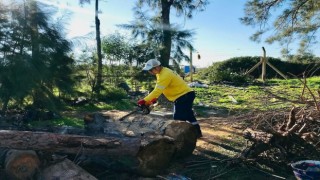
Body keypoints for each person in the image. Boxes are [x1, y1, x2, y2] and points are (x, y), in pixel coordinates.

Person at [137, 59, 202, 138]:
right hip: (185, 95)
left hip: (184, 96)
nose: (150, 72)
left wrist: (145, 100)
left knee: (178, 117)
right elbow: (161, 88)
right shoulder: (161, 73)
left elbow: (157, 90)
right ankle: (197, 132)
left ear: (157, 67)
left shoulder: (165, 74)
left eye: (150, 70)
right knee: (189, 115)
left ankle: (179, 138)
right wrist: (154, 98)